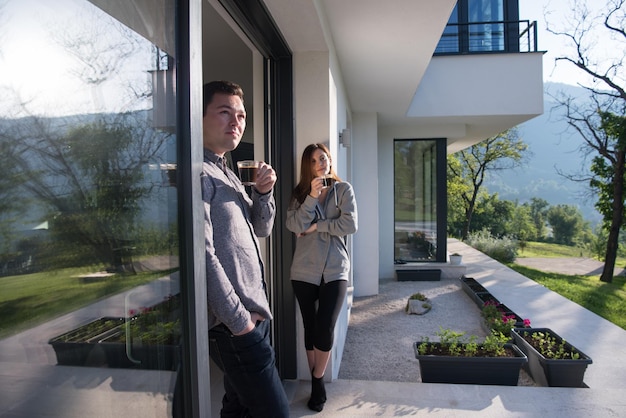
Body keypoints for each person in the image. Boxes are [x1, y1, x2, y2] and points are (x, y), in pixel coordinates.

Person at [201, 80, 289, 417]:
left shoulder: (230, 173)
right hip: (234, 326)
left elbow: (262, 228)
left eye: (241, 115)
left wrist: (264, 193)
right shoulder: (200, 174)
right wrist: (240, 323)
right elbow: (203, 256)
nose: (236, 121)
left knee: (237, 408)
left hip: (255, 316)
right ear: (200, 116)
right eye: (224, 112)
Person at [286, 143, 358, 412]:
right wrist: (311, 199)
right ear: (308, 165)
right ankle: (318, 382)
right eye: (316, 160)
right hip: (304, 269)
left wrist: (317, 226)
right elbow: (293, 225)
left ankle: (317, 380)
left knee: (325, 324)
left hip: (335, 267)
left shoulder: (343, 189)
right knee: (310, 324)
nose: (322, 163)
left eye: (324, 158)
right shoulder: (300, 194)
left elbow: (351, 224)